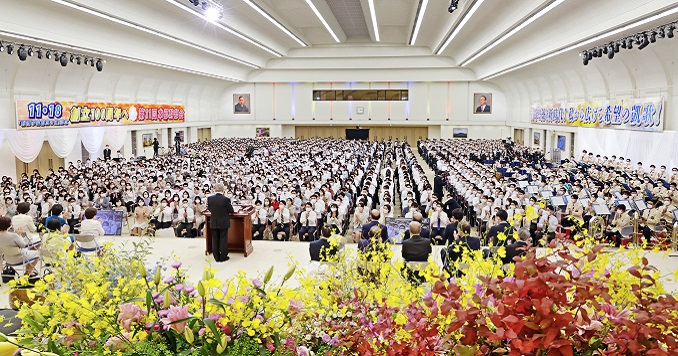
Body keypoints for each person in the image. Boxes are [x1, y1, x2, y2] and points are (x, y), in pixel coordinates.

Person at [207, 183, 234, 262]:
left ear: (214, 190)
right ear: (223, 190)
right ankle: (223, 257)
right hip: (223, 222)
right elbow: (231, 210)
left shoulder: (210, 198)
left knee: (215, 239)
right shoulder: (226, 199)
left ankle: (216, 257)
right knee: (223, 239)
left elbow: (210, 209)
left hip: (214, 221)